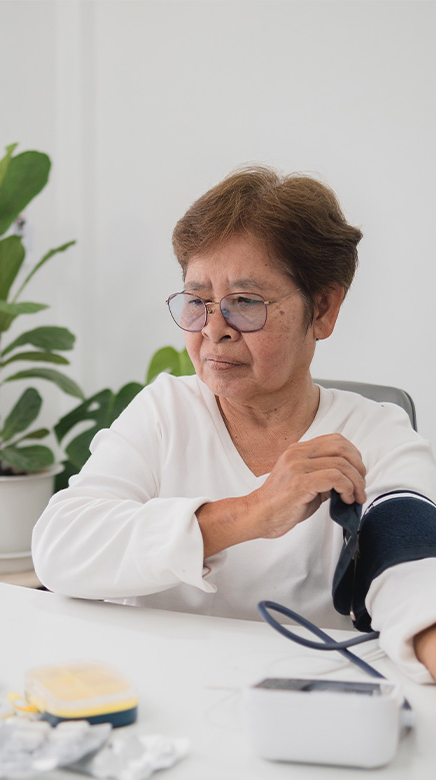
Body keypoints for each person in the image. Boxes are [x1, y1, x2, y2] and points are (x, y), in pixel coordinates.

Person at [32, 165, 436, 682]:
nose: (213, 330)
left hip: (300, 700)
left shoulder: (374, 435)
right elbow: (61, 546)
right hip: (158, 690)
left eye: (245, 303)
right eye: (198, 302)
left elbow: (412, 569)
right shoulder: (165, 411)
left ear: (323, 309)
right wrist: (253, 511)